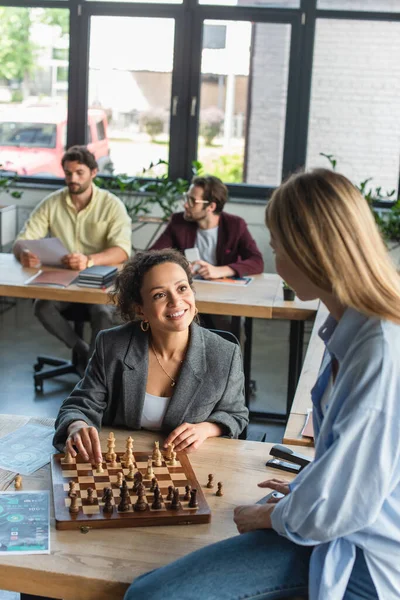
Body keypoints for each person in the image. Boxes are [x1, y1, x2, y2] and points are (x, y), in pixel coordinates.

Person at [124, 168, 400, 600]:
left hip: (362, 553)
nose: (274, 257)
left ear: (312, 251)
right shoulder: (349, 324)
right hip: (336, 525)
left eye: (278, 245)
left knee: (149, 596)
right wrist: (305, 488)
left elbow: (346, 507)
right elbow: (357, 463)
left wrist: (268, 517)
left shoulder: (378, 349)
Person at [53, 248, 249, 459]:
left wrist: (207, 429)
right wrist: (76, 425)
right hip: (120, 463)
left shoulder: (225, 354)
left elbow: (235, 415)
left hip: (193, 464)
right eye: (160, 295)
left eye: (182, 288)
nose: (176, 302)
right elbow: (79, 405)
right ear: (141, 310)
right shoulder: (111, 345)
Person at [13, 145, 132, 372]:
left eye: (79, 173)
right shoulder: (52, 202)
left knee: (103, 312)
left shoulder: (111, 205)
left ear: (93, 172)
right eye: (68, 173)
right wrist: (24, 253)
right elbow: (22, 240)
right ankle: (87, 354)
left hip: (99, 279)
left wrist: (89, 260)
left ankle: (97, 372)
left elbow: (122, 251)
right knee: (42, 306)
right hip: (62, 279)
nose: (72, 179)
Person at [151, 175, 264, 280]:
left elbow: (257, 262)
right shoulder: (178, 221)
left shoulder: (235, 225)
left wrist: (221, 271)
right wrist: (178, 264)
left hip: (224, 290)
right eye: (187, 198)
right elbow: (152, 255)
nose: (185, 205)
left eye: (192, 201)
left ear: (211, 206)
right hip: (189, 288)